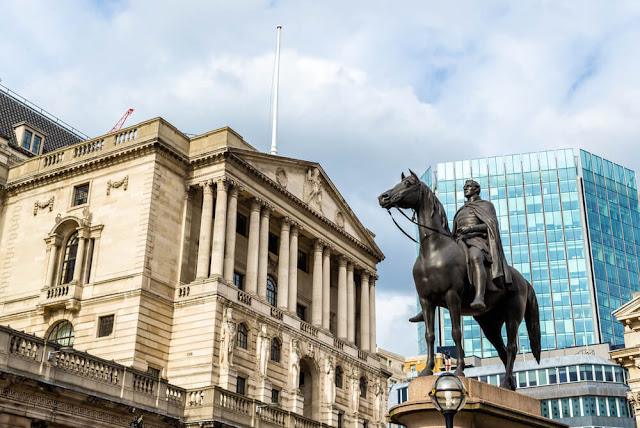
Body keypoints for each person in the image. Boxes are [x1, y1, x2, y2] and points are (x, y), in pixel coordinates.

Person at [452, 179, 512, 310]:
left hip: (478, 241)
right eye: (464, 187)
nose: (465, 189)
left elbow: (491, 225)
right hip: (459, 242)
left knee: (475, 257)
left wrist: (471, 229)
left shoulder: (486, 205)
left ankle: (479, 296)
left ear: (476, 189)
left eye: (468, 186)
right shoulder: (461, 210)